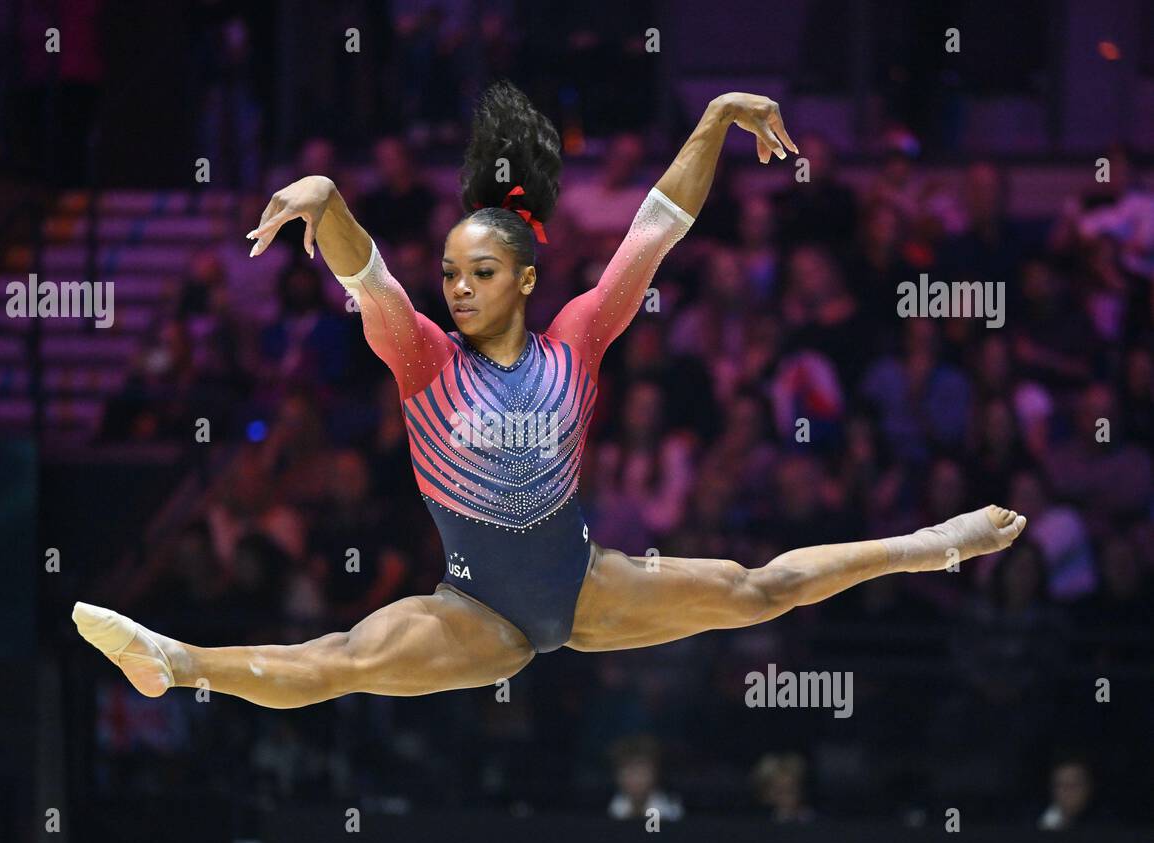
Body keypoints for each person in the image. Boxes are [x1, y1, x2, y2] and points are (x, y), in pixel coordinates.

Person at [73, 81, 1026, 709]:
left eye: (479, 272)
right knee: (344, 662)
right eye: (450, 271)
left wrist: (715, 118)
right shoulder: (422, 359)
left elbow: (658, 227)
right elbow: (370, 280)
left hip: (582, 588)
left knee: (757, 588)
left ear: (524, 280)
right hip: (474, 610)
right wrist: (325, 198)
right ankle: (176, 662)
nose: (456, 287)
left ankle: (936, 543)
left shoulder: (578, 335)